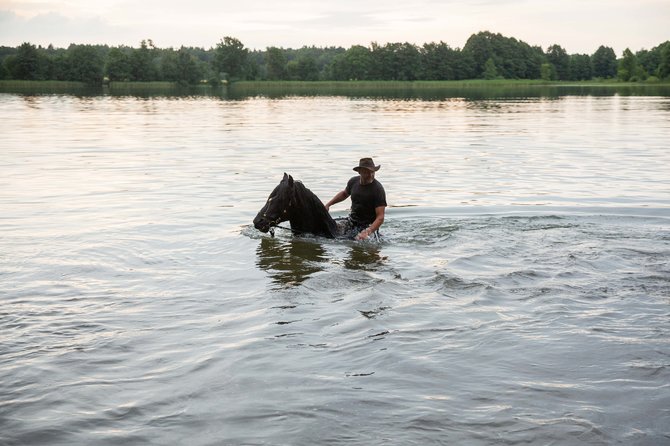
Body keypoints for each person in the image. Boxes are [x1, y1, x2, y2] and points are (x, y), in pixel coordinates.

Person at [325, 157, 387, 240]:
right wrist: (329, 204)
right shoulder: (353, 181)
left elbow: (380, 217)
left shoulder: (378, 190)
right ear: (359, 172)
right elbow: (344, 194)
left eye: (372, 172)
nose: (370, 175)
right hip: (352, 222)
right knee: (330, 228)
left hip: (368, 226)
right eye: (366, 172)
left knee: (357, 241)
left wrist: (368, 231)